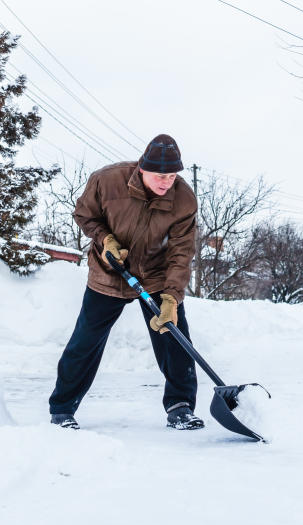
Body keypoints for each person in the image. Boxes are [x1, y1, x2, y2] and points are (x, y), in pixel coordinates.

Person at [48, 134, 203, 431]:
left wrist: (171, 298)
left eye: (171, 175)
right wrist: (106, 240)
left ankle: (180, 406)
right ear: (142, 168)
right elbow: (84, 214)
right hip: (110, 272)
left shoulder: (183, 199)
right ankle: (62, 408)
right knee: (86, 341)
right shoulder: (107, 181)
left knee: (175, 338)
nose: (165, 182)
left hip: (156, 276)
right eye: (159, 175)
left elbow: (181, 252)